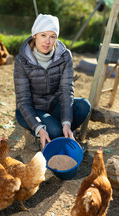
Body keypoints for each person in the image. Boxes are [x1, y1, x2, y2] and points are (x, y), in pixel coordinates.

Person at [14, 13, 91, 151]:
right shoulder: (22, 60)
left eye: (52, 36)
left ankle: (60, 132)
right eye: (43, 35)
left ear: (56, 38)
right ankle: (43, 133)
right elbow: (23, 100)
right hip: (30, 109)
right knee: (54, 131)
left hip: (54, 106)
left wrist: (67, 122)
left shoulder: (64, 56)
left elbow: (67, 90)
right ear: (35, 35)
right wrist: (39, 127)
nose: (47, 42)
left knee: (83, 106)